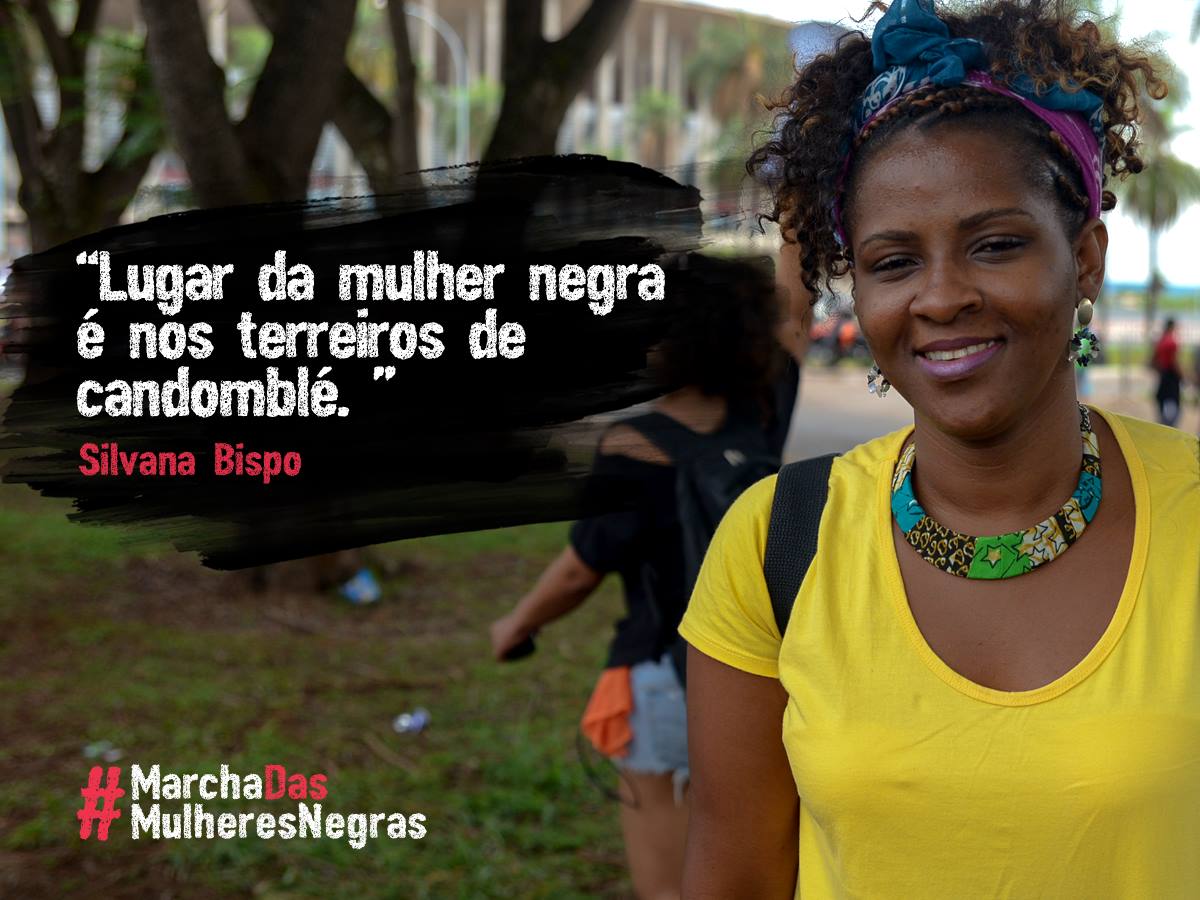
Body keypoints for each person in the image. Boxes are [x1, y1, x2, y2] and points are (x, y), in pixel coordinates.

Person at [679, 2, 1200, 898]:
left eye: (994, 245)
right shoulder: (775, 544)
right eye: (893, 262)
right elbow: (733, 878)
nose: (942, 297)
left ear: (1085, 258)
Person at [490, 260, 802, 900]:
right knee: (758, 872)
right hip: (765, 677)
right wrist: (797, 217)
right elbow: (794, 311)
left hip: (665, 678)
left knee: (666, 884)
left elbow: (579, 571)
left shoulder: (632, 445)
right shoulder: (762, 414)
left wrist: (516, 624)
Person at [1152, 318, 1183, 426]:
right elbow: (1174, 361)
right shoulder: (1171, 342)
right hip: (1171, 374)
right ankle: (1170, 424)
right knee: (1173, 401)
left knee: (1162, 399)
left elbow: (1154, 359)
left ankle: (1163, 422)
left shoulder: (1161, 340)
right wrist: (1182, 375)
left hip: (1163, 373)